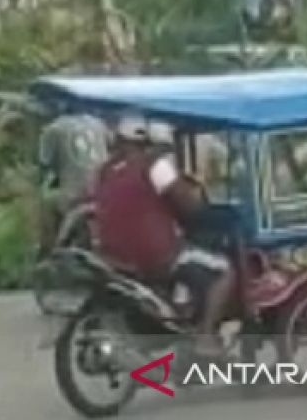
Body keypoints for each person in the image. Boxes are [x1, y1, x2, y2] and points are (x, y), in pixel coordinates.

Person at [93, 115, 235, 359]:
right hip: (156, 255)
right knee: (224, 271)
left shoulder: (105, 171)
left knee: (190, 258)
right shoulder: (155, 166)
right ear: (145, 141)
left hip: (112, 255)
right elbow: (189, 207)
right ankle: (206, 336)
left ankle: (182, 313)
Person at [36, 113, 108, 257]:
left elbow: (45, 165)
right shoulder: (99, 123)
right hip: (103, 191)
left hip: (72, 195)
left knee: (45, 201)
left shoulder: (54, 129)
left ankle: (48, 252)